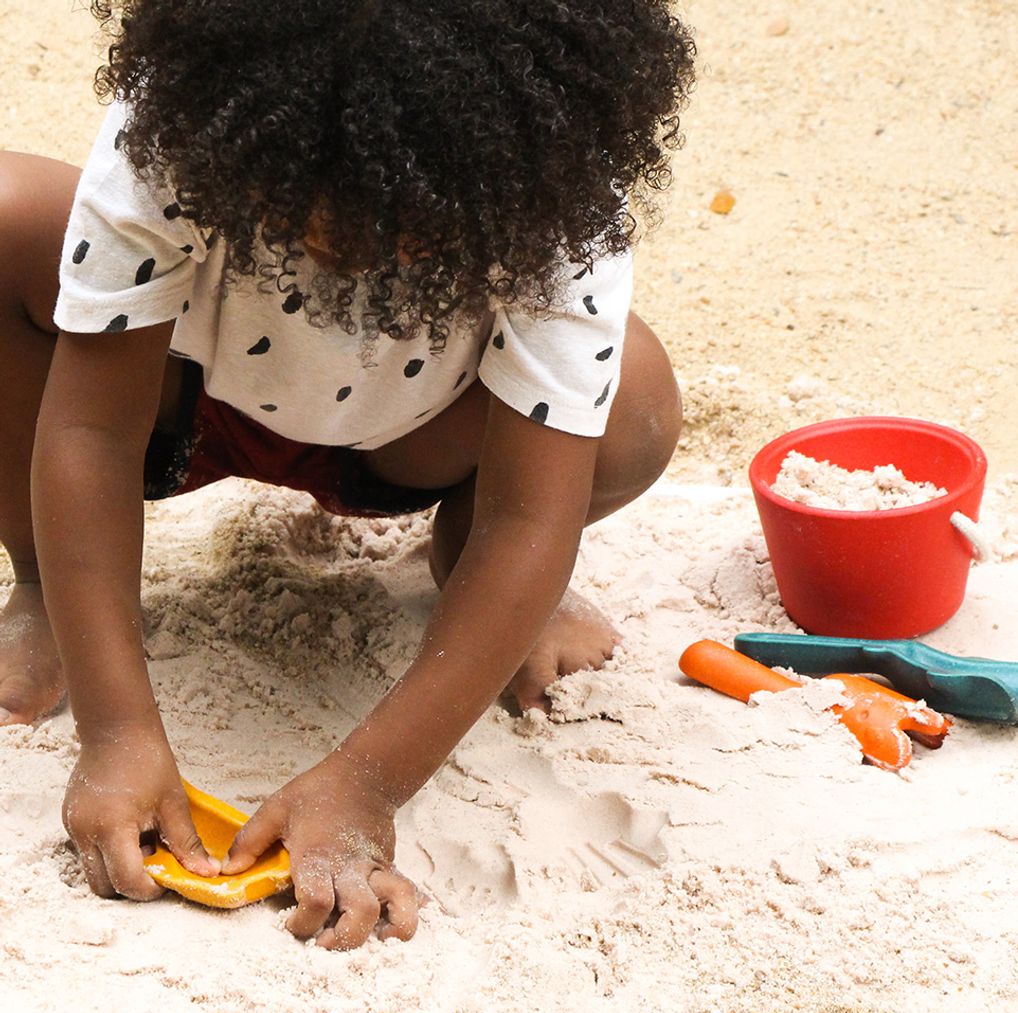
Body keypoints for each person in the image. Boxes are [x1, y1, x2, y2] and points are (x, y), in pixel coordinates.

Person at [0, 0, 695, 949]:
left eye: (405, 236)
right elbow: (89, 434)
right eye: (307, 218)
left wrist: (369, 781)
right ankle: (42, 574)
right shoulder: (183, 119)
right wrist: (116, 732)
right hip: (176, 399)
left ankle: (477, 583)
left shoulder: (555, 197)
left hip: (415, 443)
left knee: (632, 407)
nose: (348, 261)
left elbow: (530, 517)